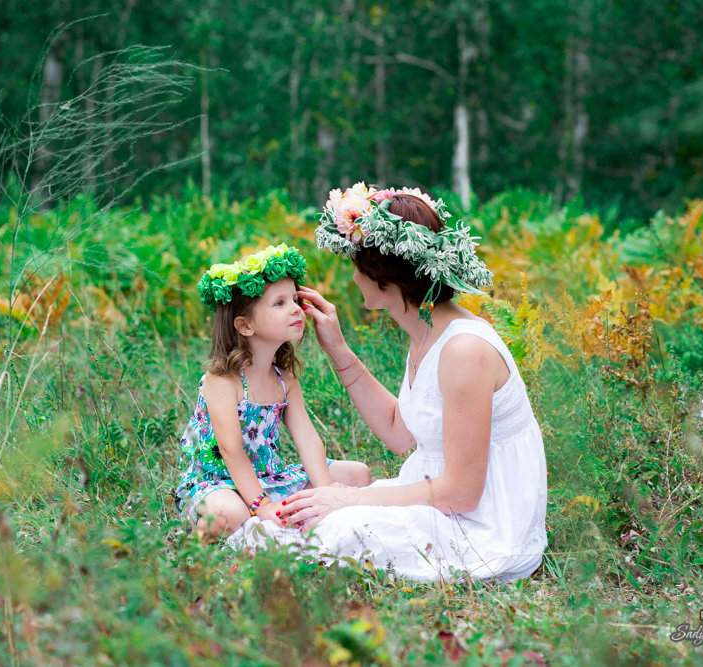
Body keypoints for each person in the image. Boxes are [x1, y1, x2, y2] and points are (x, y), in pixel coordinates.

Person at [229, 185, 548, 582]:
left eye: (357, 266)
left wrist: (353, 499)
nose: (352, 276)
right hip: (440, 498)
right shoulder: (429, 330)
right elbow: (400, 434)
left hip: (483, 524)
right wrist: (339, 350)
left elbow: (463, 492)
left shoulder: (464, 350)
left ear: (384, 280)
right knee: (312, 520)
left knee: (334, 528)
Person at [174, 243, 372, 539]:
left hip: (268, 477)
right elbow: (231, 451)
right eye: (279, 303)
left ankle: (292, 512)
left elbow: (306, 437)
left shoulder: (284, 379)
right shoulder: (222, 381)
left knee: (358, 474)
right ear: (244, 326)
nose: (295, 308)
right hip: (218, 483)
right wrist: (263, 505)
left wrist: (326, 490)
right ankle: (191, 547)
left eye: (294, 299)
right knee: (229, 514)